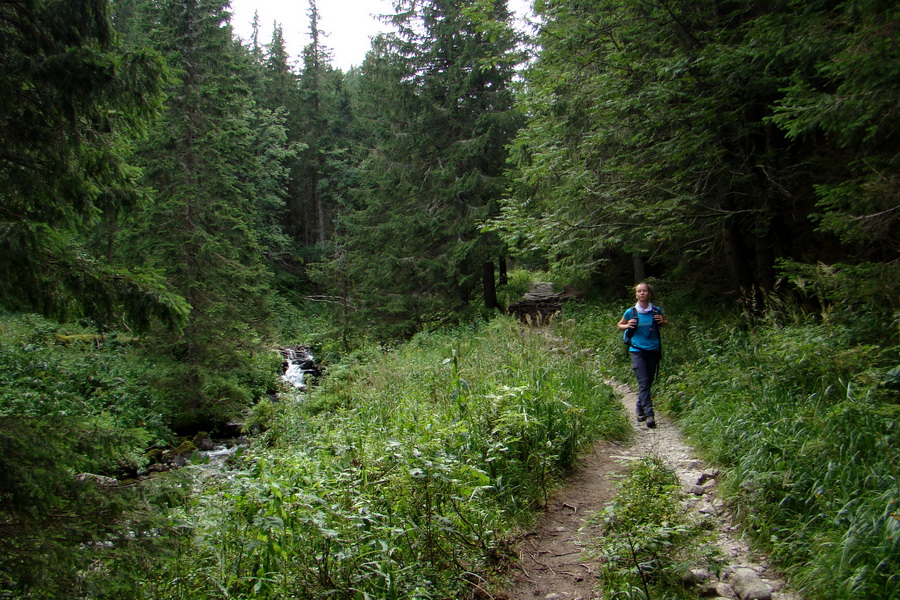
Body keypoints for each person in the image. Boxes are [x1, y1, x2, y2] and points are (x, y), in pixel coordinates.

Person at [617, 282, 668, 429]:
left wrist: (663, 321)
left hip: (653, 350)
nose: (642, 293)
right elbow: (619, 325)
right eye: (639, 291)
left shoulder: (656, 311)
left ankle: (639, 407)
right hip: (636, 350)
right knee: (644, 382)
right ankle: (649, 415)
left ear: (649, 294)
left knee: (648, 382)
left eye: (644, 291)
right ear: (636, 294)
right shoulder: (631, 312)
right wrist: (627, 326)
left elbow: (665, 324)